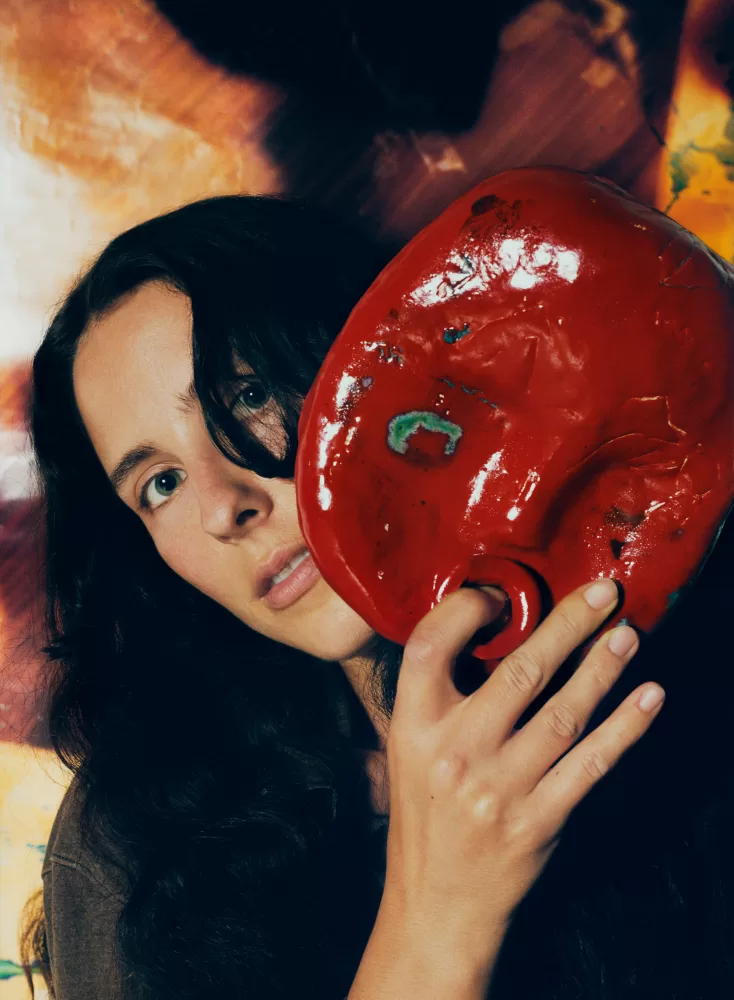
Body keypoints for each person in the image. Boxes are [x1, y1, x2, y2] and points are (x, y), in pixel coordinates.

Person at [21, 195, 731, 999]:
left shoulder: (681, 682)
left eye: (245, 396)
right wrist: (438, 913)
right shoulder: (134, 836)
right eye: (161, 483)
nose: (224, 507)